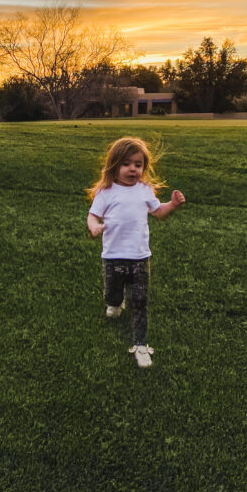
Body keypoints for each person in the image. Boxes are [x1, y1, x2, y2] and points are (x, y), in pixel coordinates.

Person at [86, 136, 185, 368]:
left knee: (140, 301)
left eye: (138, 165)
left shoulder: (144, 190)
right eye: (126, 164)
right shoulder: (106, 192)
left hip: (140, 257)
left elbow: (158, 212)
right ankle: (115, 302)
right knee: (113, 294)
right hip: (113, 257)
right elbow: (92, 214)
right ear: (114, 165)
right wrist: (93, 226)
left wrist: (171, 205)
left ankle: (141, 345)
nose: (133, 169)